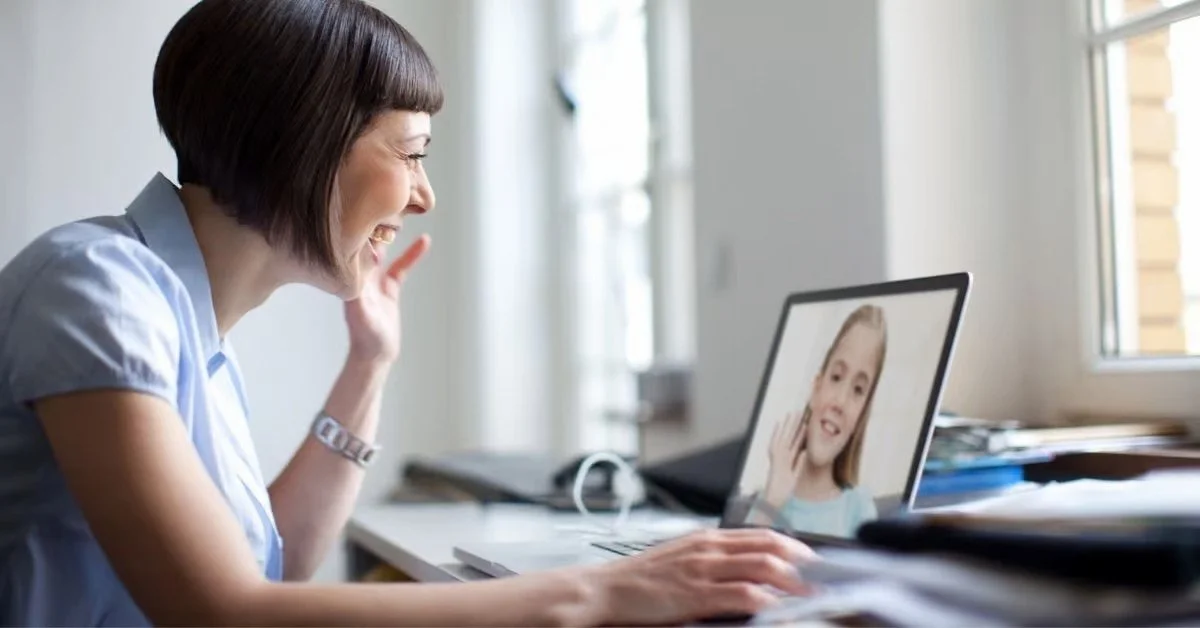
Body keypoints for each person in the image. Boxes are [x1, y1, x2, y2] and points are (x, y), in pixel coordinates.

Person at [0, 1, 815, 625]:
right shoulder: (97, 289)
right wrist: (602, 591)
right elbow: (223, 610)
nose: (424, 195)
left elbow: (270, 571)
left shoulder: (179, 322)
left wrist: (368, 365)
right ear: (302, 141)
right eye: (412, 153)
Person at [746, 305, 887, 537]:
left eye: (858, 390)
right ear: (816, 388)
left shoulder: (858, 508)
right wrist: (772, 500)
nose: (840, 402)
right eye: (836, 377)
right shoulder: (768, 500)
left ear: (861, 416)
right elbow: (738, 561)